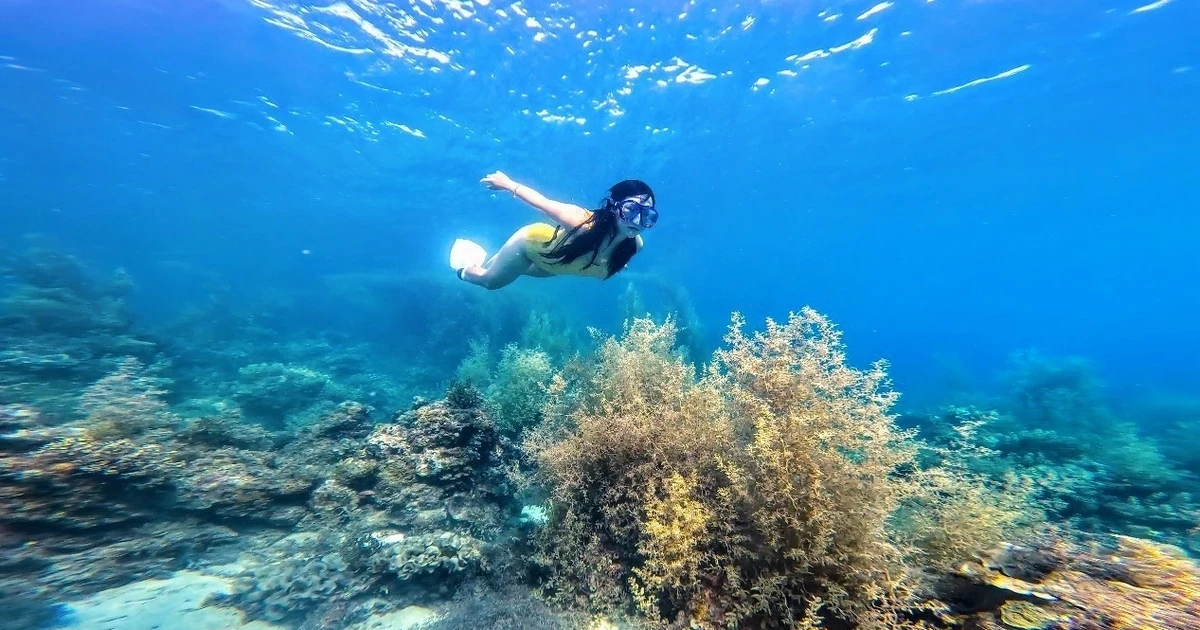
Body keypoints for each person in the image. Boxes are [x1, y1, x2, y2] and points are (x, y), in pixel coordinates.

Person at [449, 171, 658, 290]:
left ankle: (497, 260)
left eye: (647, 215)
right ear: (613, 206)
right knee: (492, 282)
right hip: (531, 245)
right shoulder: (581, 222)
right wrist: (507, 183)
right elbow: (542, 202)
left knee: (515, 270)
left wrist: (618, 261)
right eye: (631, 210)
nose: (638, 221)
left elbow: (610, 253)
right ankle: (464, 268)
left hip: (553, 265)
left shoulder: (634, 246)